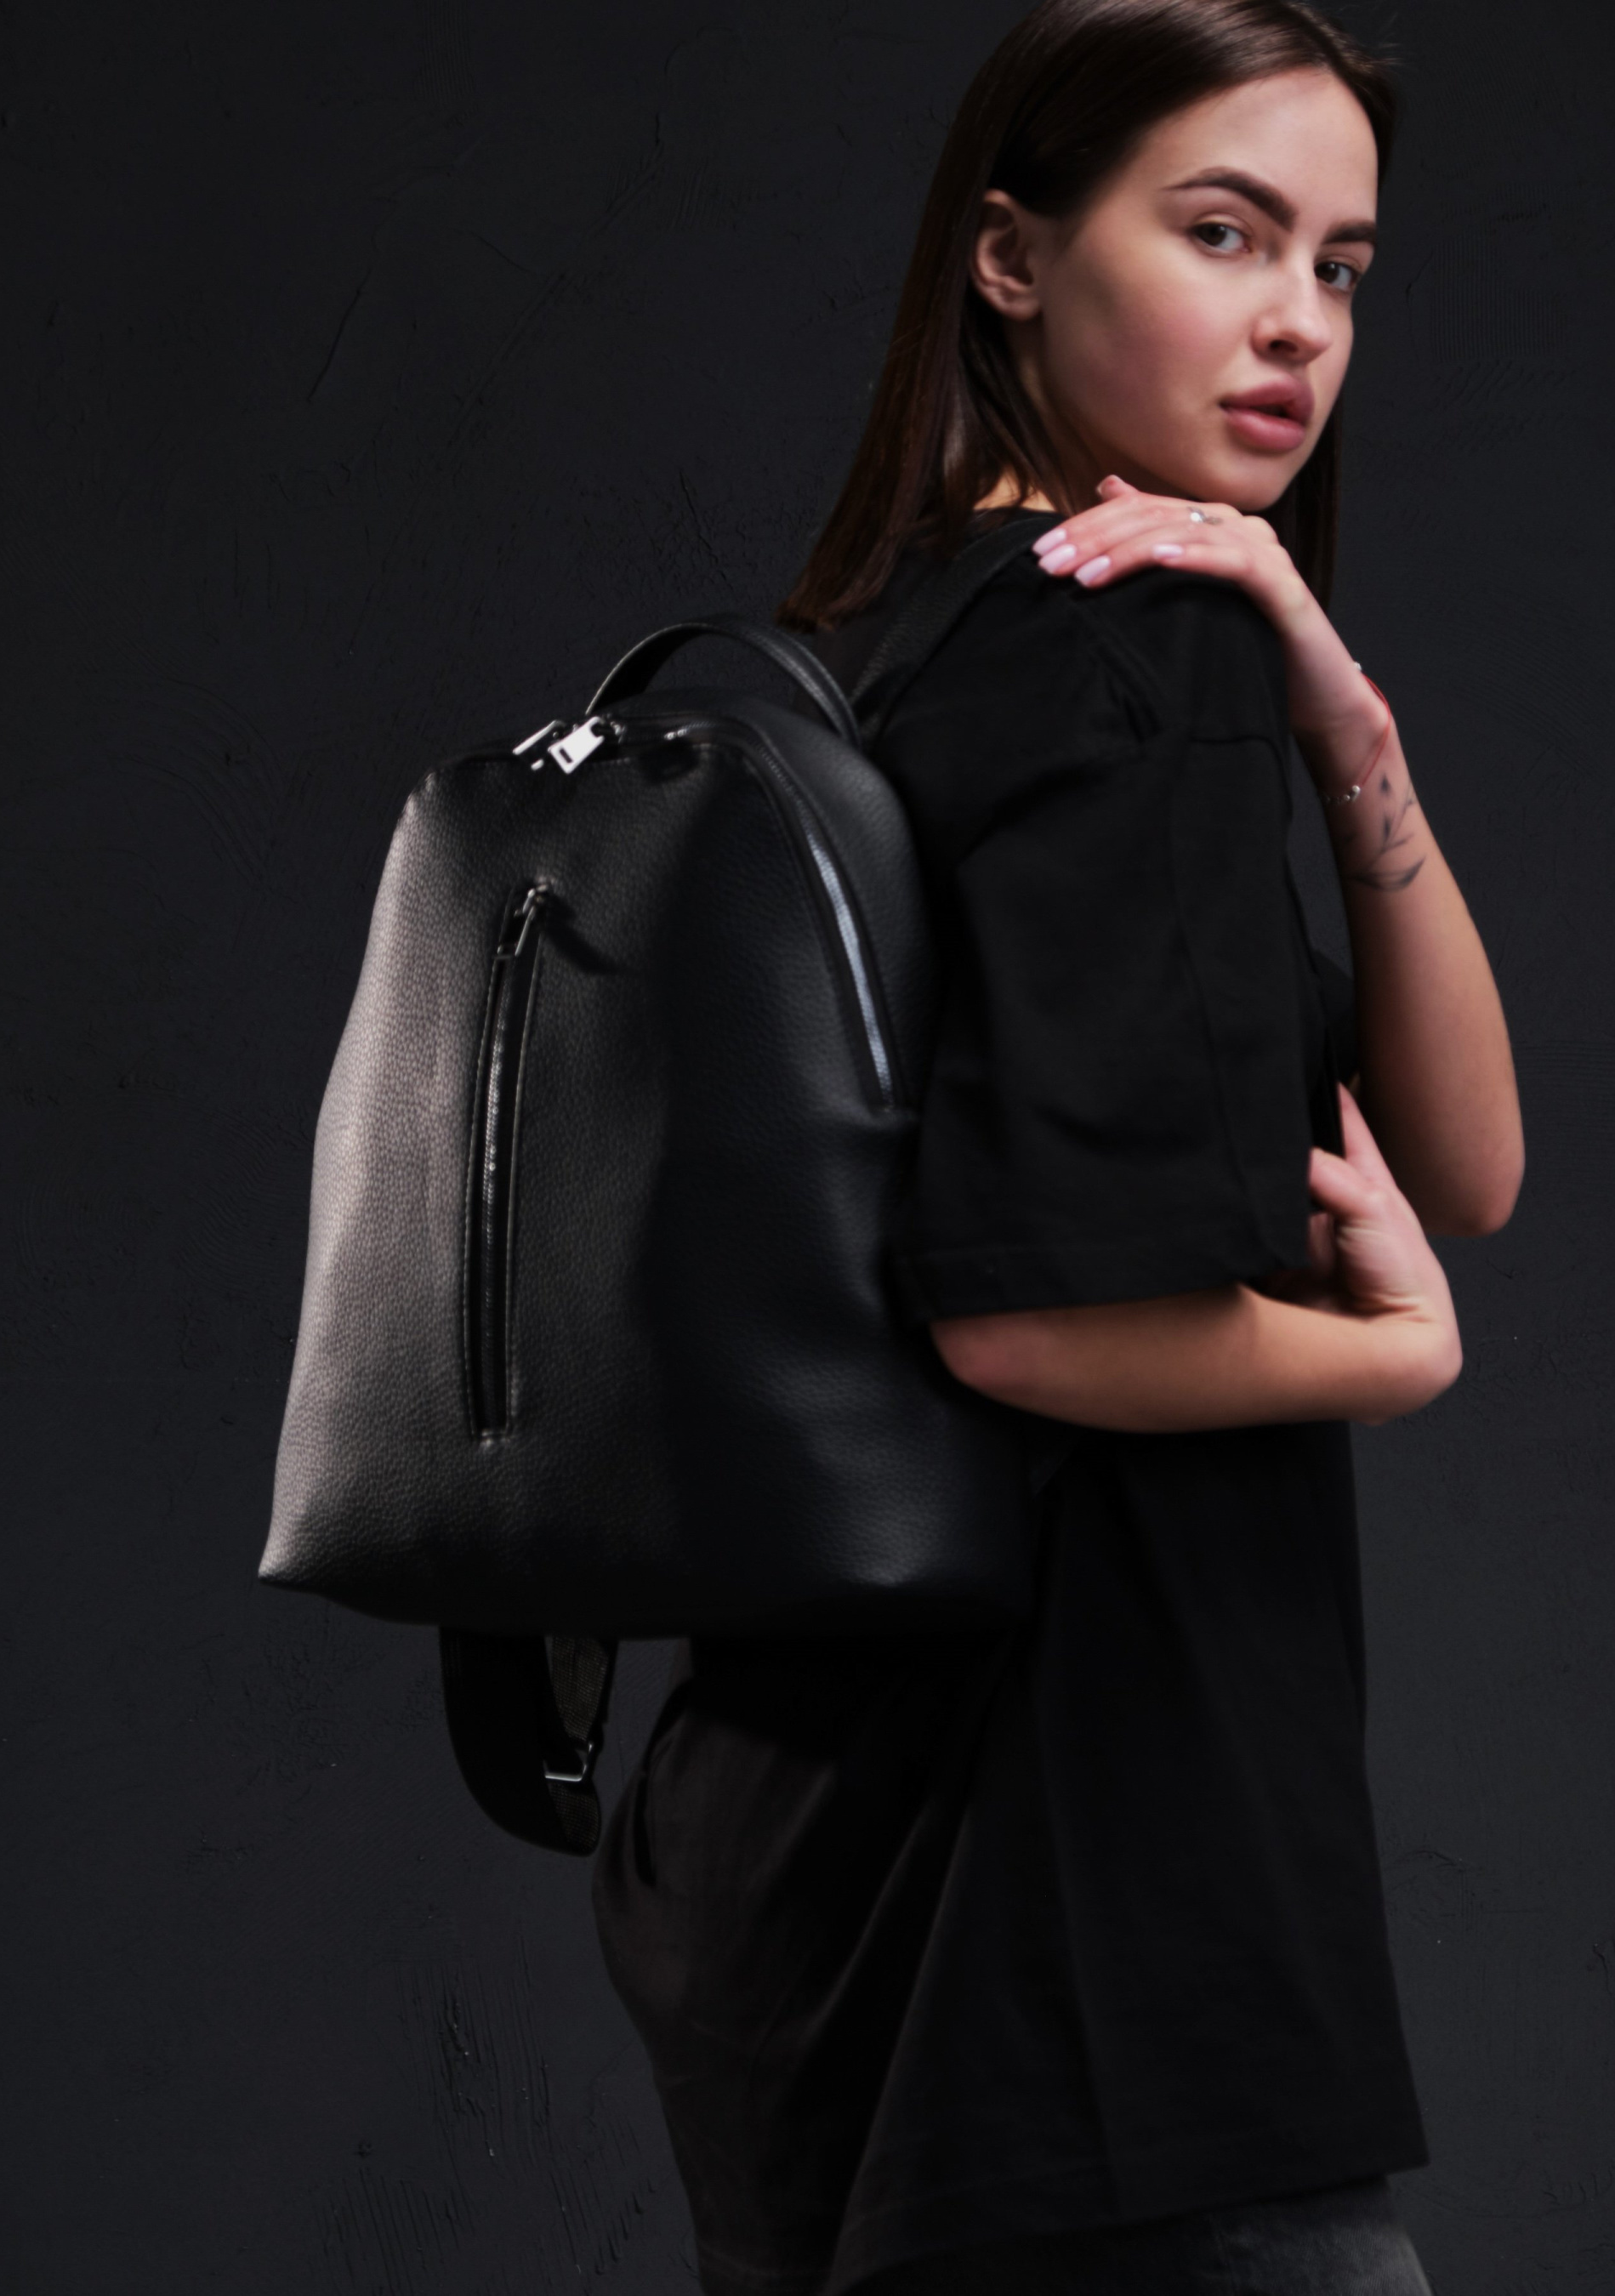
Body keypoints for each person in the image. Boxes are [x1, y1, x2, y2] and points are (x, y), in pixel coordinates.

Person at [591, 3, 1524, 2290]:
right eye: (1221, 233)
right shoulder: (1124, 650)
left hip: (798, 1865)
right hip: (1084, 1912)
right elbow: (1027, 1320)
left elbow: (1461, 1162)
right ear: (1009, 258)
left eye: (1341, 264)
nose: (1298, 321)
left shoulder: (876, 652)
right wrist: (1389, 1362)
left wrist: (1348, 725)